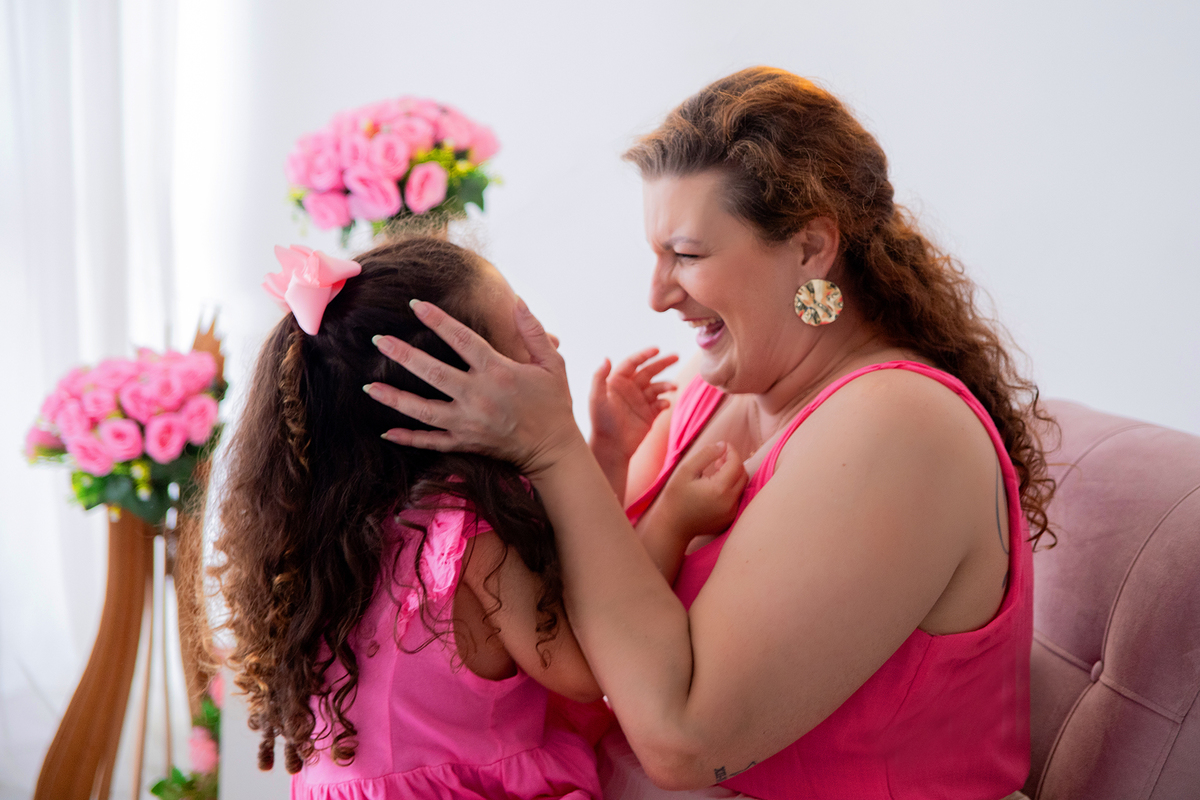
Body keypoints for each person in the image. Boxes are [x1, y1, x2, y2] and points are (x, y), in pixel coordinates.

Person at [363, 67, 1054, 800]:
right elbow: (596, 593)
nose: (656, 295)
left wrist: (553, 449)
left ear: (813, 249)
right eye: (656, 255)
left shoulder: (899, 425)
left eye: (687, 256)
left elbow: (684, 745)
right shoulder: (711, 384)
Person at [212, 237, 745, 800]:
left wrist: (608, 455)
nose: (554, 346)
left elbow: (568, 575)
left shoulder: (351, 524)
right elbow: (591, 664)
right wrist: (671, 520)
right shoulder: (459, 531)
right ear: (452, 392)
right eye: (526, 338)